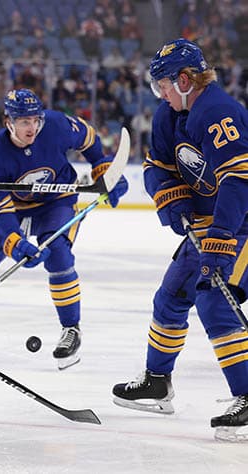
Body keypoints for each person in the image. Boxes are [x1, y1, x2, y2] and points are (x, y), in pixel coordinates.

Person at [112, 38, 248, 442]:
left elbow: (239, 181)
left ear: (185, 79)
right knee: (171, 296)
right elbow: (155, 167)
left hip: (241, 226)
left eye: (164, 85)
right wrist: (170, 196)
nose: (161, 94)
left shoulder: (220, 111)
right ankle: (158, 380)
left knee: (213, 296)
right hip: (211, 226)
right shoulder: (169, 115)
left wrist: (221, 239)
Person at [0, 89, 128, 370]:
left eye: (35, 119)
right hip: (14, 208)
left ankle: (71, 329)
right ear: (9, 121)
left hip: (55, 202)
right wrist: (15, 242)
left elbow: (89, 138)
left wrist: (102, 168)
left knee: (58, 253)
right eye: (23, 121)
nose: (32, 127)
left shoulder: (56, 125)